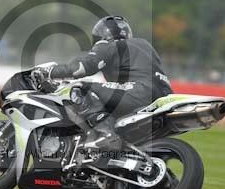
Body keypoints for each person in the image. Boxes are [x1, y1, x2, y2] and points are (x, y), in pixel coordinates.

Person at [33, 16, 173, 152]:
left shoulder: (110, 45)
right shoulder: (145, 44)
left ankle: (105, 134)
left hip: (138, 92)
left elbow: (81, 68)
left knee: (79, 88)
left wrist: (49, 71)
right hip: (163, 95)